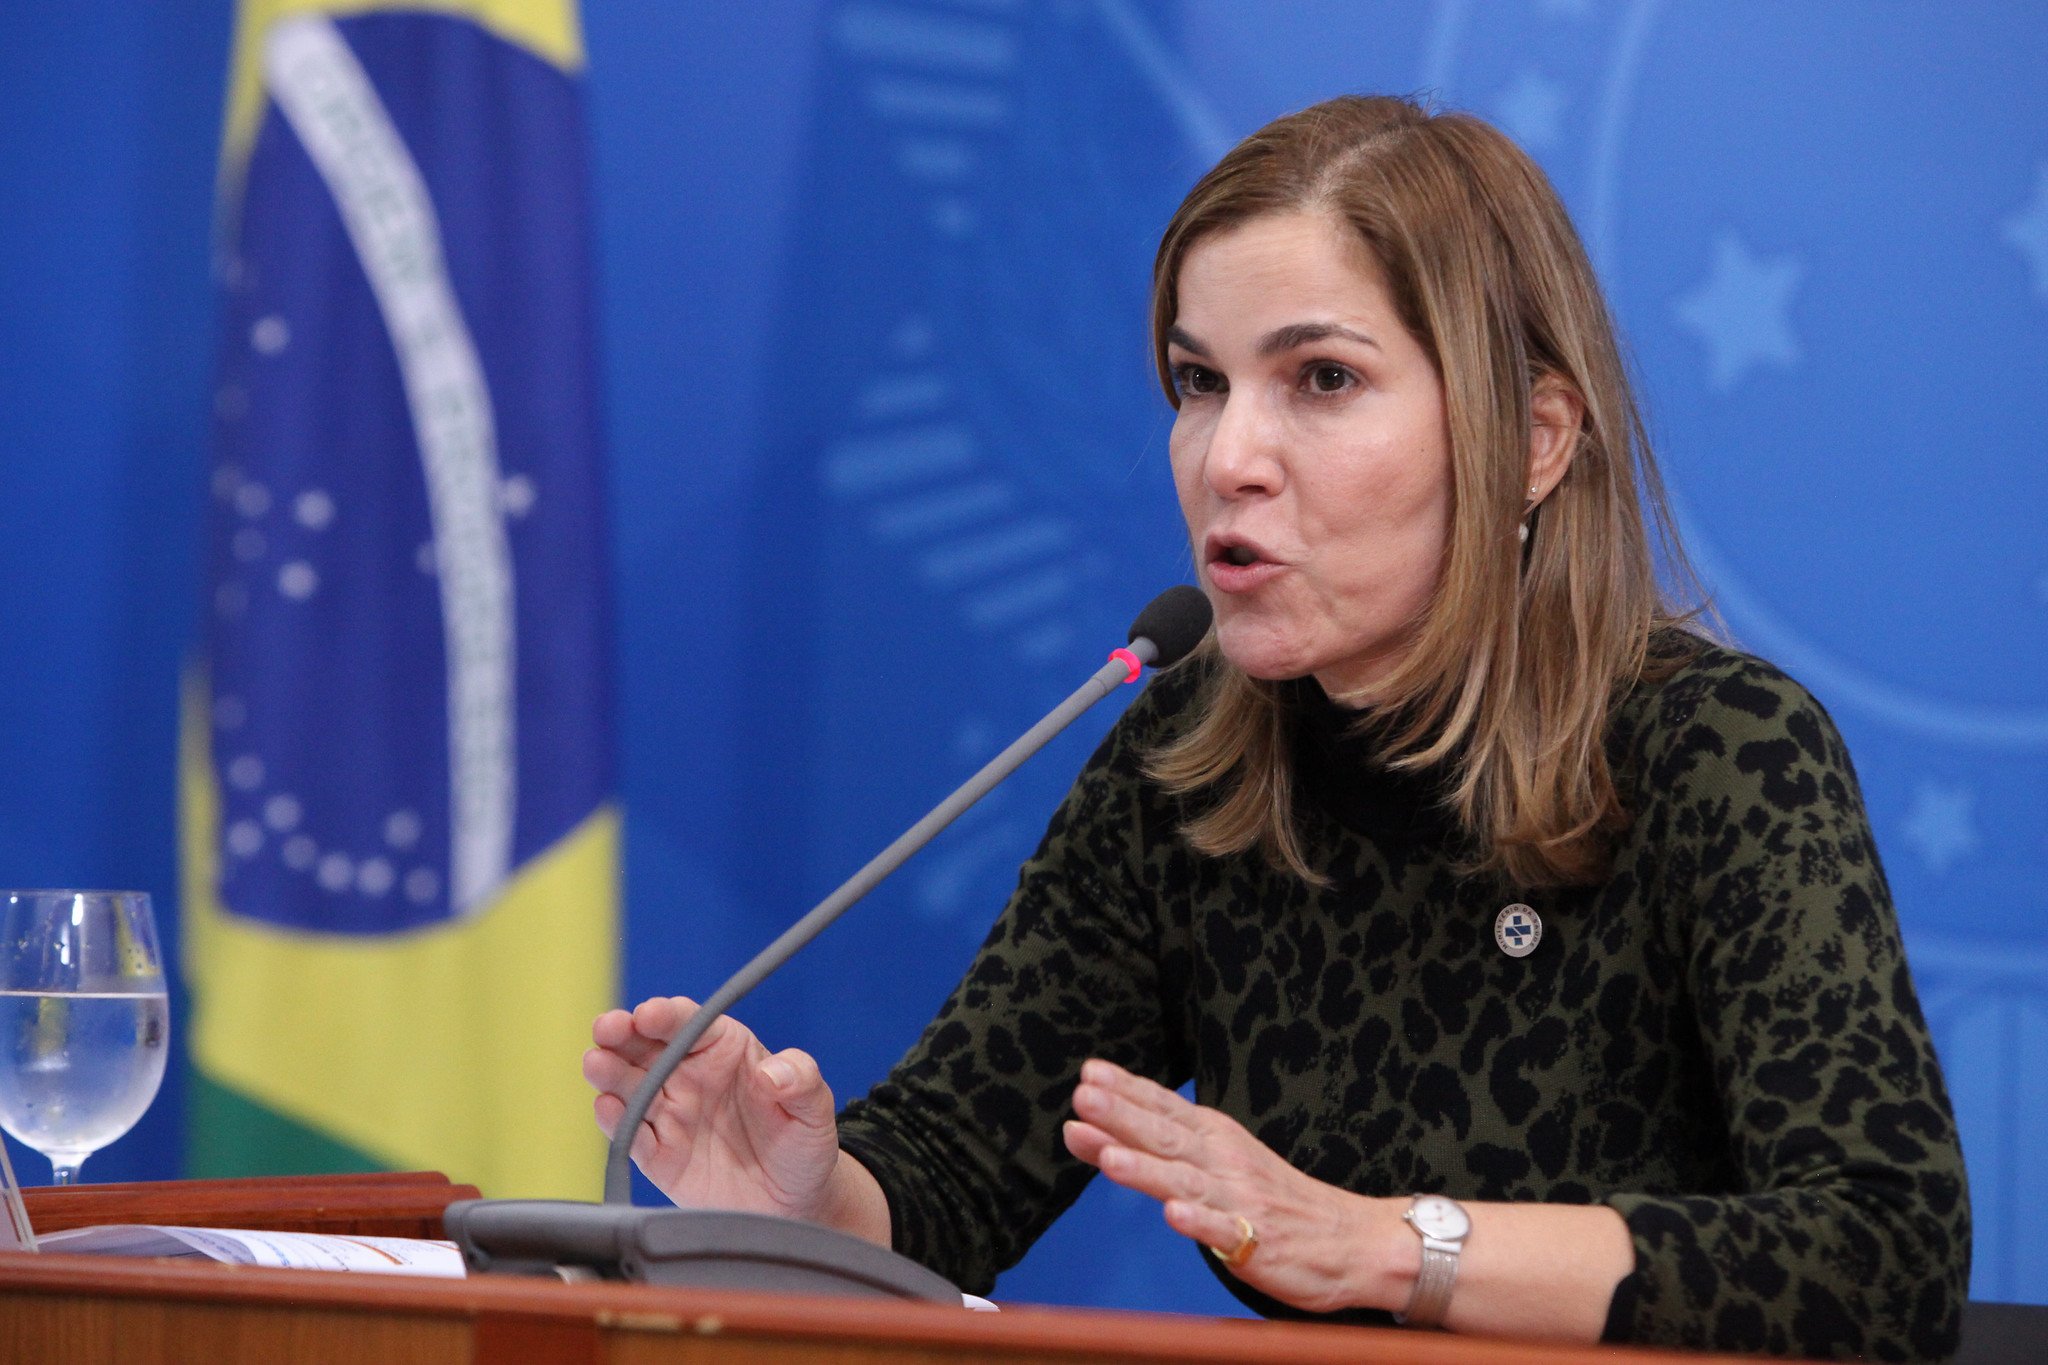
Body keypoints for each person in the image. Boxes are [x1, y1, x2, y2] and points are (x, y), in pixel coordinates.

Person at [584, 95, 1969, 1359]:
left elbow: (1880, 1255)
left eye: (1320, 380)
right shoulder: (1192, 756)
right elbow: (953, 1171)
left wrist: (1390, 1242)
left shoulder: (1718, 751)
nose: (1227, 457)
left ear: (1534, 439)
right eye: (1200, 382)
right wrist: (805, 1200)